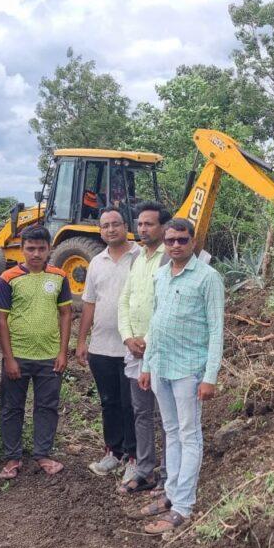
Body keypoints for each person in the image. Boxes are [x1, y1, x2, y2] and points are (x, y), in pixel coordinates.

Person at [136, 218, 225, 535]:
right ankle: (171, 494)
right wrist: (146, 364)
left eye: (182, 240)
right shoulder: (161, 275)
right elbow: (155, 324)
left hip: (190, 369)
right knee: (170, 432)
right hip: (161, 365)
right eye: (170, 240)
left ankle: (183, 506)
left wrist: (210, 376)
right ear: (165, 241)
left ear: (193, 241)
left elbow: (216, 332)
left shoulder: (208, 278)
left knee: (189, 435)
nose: (176, 245)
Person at [0, 226, 72, 478]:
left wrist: (63, 353)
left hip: (50, 357)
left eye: (41, 248)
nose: (36, 253)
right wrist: (9, 358)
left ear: (49, 249)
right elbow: (1, 320)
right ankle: (12, 458)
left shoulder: (60, 276)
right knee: (11, 407)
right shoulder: (8, 278)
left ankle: (43, 454)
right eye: (30, 248)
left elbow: (66, 314)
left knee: (47, 406)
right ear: (21, 249)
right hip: (18, 357)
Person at [77, 207, 140, 478]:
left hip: (132, 347)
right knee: (109, 402)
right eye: (105, 226)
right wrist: (82, 340)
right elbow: (89, 303)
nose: (111, 229)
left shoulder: (141, 257)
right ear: (100, 230)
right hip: (101, 346)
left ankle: (136, 456)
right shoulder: (96, 262)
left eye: (116, 224)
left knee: (132, 404)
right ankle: (113, 452)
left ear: (126, 225)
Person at [116, 201, 171, 495]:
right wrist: (127, 337)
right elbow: (124, 300)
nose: (142, 228)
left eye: (149, 224)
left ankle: (168, 474)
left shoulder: (169, 258)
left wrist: (147, 340)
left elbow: (167, 306)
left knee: (166, 414)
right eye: (139, 224)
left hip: (160, 349)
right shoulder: (137, 258)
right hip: (134, 348)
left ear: (163, 227)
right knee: (141, 412)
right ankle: (145, 469)